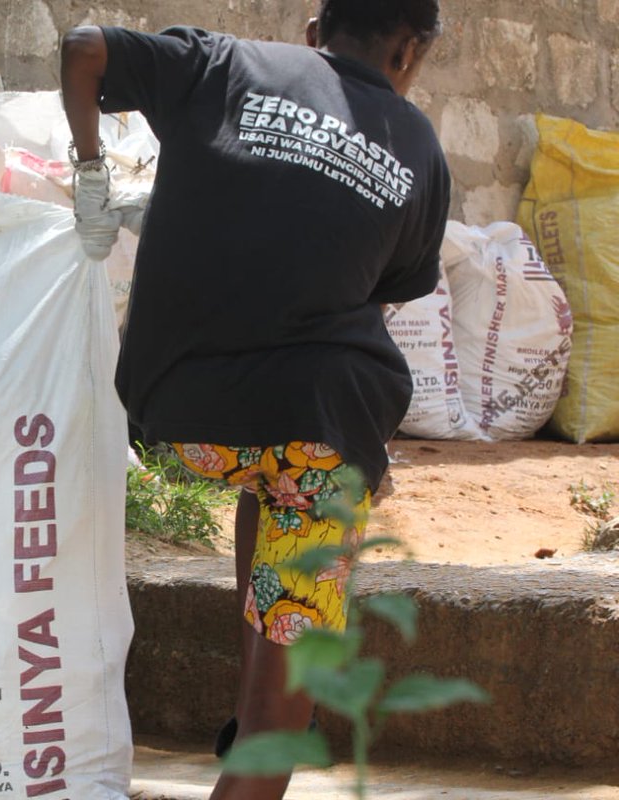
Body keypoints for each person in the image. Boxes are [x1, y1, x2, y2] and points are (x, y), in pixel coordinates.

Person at [60, 1, 449, 798]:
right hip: (319, 438)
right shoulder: (417, 145)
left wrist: (90, 170)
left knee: (273, 471)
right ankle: (271, 713)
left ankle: (259, 702)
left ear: (314, 31)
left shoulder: (221, 62)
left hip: (176, 419)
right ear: (410, 51)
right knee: (279, 725)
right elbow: (379, 297)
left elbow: (83, 50)